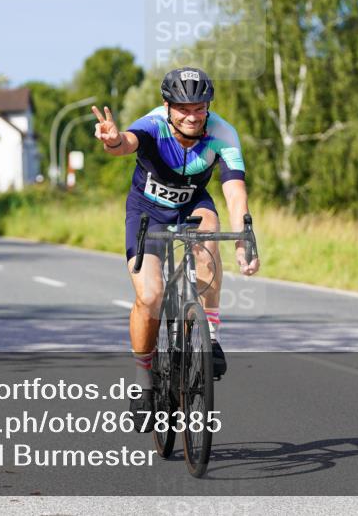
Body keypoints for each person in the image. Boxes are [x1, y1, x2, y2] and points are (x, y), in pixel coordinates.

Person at [91, 66, 260, 431]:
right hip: (146, 212)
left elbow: (234, 191)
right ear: (167, 107)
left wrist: (245, 240)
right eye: (183, 108)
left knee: (209, 236)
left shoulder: (223, 134)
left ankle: (211, 337)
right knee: (150, 296)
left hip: (192, 205)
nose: (192, 115)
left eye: (200, 107)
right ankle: (144, 384)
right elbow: (127, 143)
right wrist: (112, 139)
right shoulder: (152, 125)